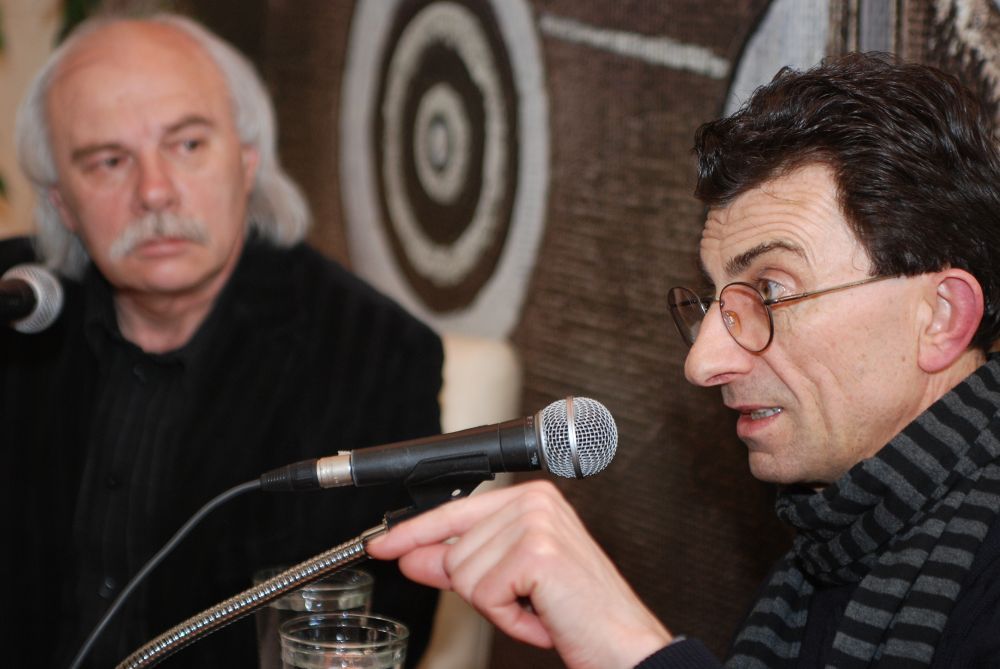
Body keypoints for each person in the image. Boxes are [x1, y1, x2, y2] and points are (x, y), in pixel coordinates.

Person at [367, 53, 1000, 668]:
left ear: (941, 316)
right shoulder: (827, 547)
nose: (703, 363)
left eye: (770, 292)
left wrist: (628, 647)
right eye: (713, 302)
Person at [0, 13, 442, 668]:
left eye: (187, 145)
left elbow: (374, 629)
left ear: (247, 158)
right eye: (109, 161)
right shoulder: (13, 308)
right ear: (61, 201)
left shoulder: (373, 353)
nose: (154, 192)